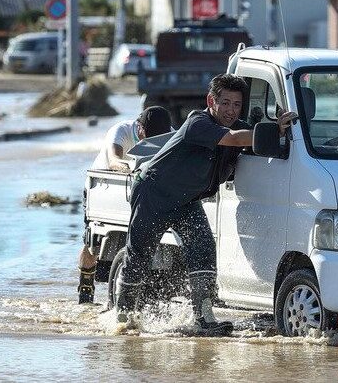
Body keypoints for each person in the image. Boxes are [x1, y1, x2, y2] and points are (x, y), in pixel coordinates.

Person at [114, 74, 295, 336]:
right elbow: (235, 139)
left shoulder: (240, 127)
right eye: (225, 103)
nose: (231, 110)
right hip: (154, 192)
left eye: (237, 104)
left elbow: (251, 141)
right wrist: (273, 130)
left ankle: (204, 317)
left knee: (203, 248)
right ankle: (123, 318)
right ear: (211, 101)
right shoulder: (197, 123)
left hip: (187, 200)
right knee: (139, 255)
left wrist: (281, 131)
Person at [78, 106, 173, 304]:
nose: (153, 141)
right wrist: (132, 168)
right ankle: (85, 287)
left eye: (158, 137)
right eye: (149, 136)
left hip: (144, 190)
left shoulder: (169, 134)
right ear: (139, 128)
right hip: (103, 188)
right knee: (92, 246)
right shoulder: (121, 131)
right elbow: (114, 160)